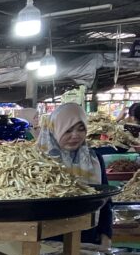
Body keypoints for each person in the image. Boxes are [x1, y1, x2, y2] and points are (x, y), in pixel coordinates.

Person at [36, 102, 111, 246]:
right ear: (55, 129)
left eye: (81, 129)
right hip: (47, 241)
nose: (75, 136)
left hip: (88, 238)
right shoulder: (37, 161)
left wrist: (106, 234)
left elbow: (105, 201)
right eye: (68, 130)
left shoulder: (94, 159)